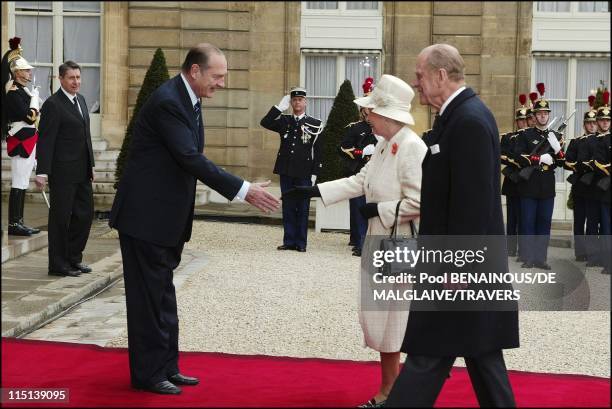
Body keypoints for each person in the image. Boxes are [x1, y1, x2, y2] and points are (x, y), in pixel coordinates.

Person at [109, 43, 280, 395]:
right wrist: (243, 189)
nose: (222, 83)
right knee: (147, 301)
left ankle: (166, 367)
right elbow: (189, 157)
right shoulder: (169, 101)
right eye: (217, 76)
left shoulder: (188, 99)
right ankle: (148, 375)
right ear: (195, 71)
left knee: (163, 296)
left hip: (163, 219)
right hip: (145, 218)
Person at [386, 44, 519, 408]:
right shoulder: (455, 116)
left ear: (440, 76)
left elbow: (474, 202)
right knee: (482, 352)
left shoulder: (470, 120)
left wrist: (458, 265)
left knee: (429, 352)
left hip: (460, 268)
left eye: (420, 76)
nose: (416, 83)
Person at [283, 74, 427, 408]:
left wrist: (382, 209)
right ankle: (390, 390)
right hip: (382, 239)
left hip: (401, 243)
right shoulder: (382, 144)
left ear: (388, 114)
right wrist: (315, 190)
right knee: (380, 318)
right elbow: (360, 180)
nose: (367, 116)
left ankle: (394, 393)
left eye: (371, 111)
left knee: (395, 319)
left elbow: (422, 202)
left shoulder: (411, 147)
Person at [35, 61, 94, 277]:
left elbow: (86, 136)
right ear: (60, 79)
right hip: (62, 173)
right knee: (60, 219)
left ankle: (73, 258)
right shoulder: (53, 104)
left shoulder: (82, 100)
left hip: (82, 171)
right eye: (71, 78)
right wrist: (42, 171)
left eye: (78, 77)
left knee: (85, 216)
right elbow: (45, 140)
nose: (76, 82)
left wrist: (92, 165)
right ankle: (58, 264)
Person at [260, 87, 323, 252]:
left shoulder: (315, 123)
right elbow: (265, 122)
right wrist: (279, 108)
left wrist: (315, 172)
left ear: (305, 102)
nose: (297, 103)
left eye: (300, 100)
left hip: (304, 172)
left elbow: (318, 150)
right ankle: (289, 241)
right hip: (286, 169)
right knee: (288, 206)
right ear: (291, 102)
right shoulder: (284, 120)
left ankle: (301, 243)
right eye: (294, 100)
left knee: (303, 207)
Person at [512, 83, 565, 270]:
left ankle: (541, 259)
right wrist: (538, 158)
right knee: (527, 223)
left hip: (547, 186)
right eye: (539, 113)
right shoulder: (525, 135)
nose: (543, 116)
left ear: (548, 115)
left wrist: (558, 149)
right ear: (534, 116)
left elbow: (562, 162)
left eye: (546, 113)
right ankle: (528, 258)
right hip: (529, 185)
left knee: (544, 223)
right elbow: (518, 157)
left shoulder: (555, 136)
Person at [1, 37, 42, 237]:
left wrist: (32, 97)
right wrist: (34, 100)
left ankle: (20, 221)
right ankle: (14, 224)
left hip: (28, 140)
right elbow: (29, 116)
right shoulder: (13, 93)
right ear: (16, 73)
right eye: (26, 70)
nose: (29, 73)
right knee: (18, 181)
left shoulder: (22, 91)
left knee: (23, 181)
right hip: (20, 142)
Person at [340, 78, 378, 257]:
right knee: (358, 209)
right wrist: (361, 152)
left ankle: (368, 242)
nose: (370, 110)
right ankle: (360, 241)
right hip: (359, 172)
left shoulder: (381, 127)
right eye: (367, 107)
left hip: (378, 176)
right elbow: (343, 147)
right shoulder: (355, 128)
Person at [564, 96, 598, 262]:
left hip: (594, 187)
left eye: (594, 123)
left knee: (592, 222)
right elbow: (567, 161)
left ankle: (591, 253)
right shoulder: (576, 142)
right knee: (579, 222)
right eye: (589, 123)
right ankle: (580, 252)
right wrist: (579, 165)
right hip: (579, 186)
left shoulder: (600, 141)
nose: (592, 125)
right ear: (584, 124)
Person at [500, 95, 529, 258]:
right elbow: (501, 154)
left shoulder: (532, 137)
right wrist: (515, 161)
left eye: (525, 120)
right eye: (520, 120)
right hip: (512, 181)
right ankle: (511, 248)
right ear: (516, 121)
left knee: (525, 218)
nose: (523, 123)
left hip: (526, 181)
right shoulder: (508, 137)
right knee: (512, 218)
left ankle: (524, 250)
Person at [592, 94, 610, 275]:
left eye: (607, 120)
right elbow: (598, 163)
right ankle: (607, 261)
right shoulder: (599, 141)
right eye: (602, 120)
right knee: (606, 228)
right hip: (606, 191)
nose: (605, 123)